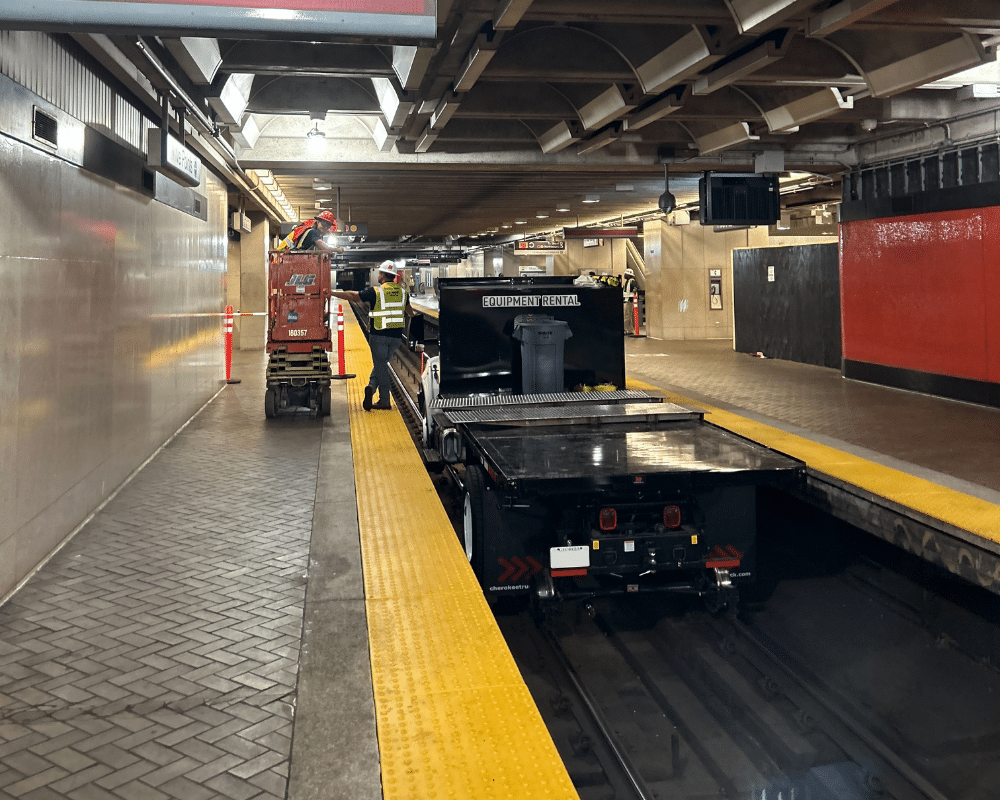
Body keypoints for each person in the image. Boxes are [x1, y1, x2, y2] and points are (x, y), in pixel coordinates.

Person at [331, 261, 416, 411]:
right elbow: (410, 313)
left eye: (379, 273)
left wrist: (332, 292)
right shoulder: (404, 293)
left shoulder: (376, 291)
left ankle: (384, 400)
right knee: (382, 364)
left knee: (381, 366)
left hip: (379, 336)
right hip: (396, 337)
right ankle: (371, 386)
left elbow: (353, 295)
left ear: (382, 276)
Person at [276, 210, 345, 254]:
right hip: (282, 256)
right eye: (324, 224)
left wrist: (330, 252)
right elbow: (325, 248)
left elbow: (319, 251)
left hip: (284, 256)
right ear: (318, 222)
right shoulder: (313, 232)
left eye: (328, 226)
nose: (326, 227)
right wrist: (337, 249)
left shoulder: (312, 232)